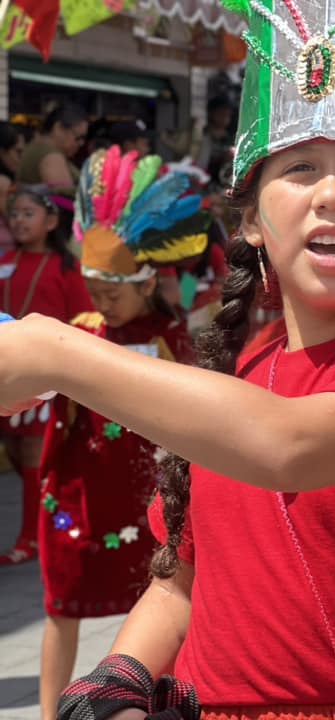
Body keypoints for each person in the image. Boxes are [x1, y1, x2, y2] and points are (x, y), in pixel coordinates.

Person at [2, 2, 335, 717]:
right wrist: (115, 681)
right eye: (299, 168)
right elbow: (180, 582)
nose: (331, 194)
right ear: (253, 222)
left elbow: (285, 445)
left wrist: (52, 351)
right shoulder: (246, 371)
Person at [37, 145, 207, 720]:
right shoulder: (79, 331)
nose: (101, 300)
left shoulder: (173, 338)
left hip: (142, 500)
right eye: (94, 286)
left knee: (163, 604)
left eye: (113, 289)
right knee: (61, 607)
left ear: (146, 280)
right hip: (79, 497)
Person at [0, 186, 91, 565]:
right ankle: (42, 523)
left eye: (28, 213)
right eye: (14, 214)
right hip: (5, 373)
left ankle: (29, 538)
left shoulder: (66, 268)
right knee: (17, 451)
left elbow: (83, 319)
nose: (19, 221)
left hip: (42, 376)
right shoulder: (4, 259)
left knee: (35, 451)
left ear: (52, 221)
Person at [18, 103, 88, 193]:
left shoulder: (36, 148)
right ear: (58, 128)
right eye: (78, 137)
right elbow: (66, 198)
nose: (81, 143)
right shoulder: (51, 156)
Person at [0, 122, 26, 254]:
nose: (20, 159)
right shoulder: (3, 183)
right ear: (2, 152)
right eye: (17, 152)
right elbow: (15, 225)